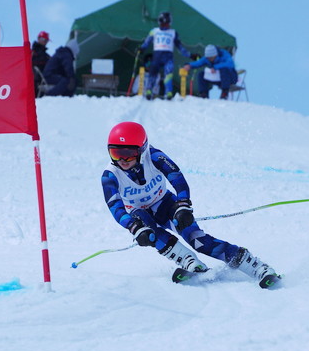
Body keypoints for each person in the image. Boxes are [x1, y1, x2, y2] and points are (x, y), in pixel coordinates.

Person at [101, 121, 280, 288]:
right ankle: (189, 261)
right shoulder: (110, 175)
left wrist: (183, 205)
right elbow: (115, 207)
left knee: (197, 239)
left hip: (165, 203)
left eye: (128, 153)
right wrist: (133, 227)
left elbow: (177, 179)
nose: (122, 160)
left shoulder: (154, 157)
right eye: (116, 153)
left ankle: (256, 266)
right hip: (140, 214)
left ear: (142, 149)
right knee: (148, 232)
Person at [138, 11, 191, 100]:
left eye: (166, 23)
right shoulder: (154, 31)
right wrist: (141, 48)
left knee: (168, 74)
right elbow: (147, 42)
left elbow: (180, 47)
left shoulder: (173, 32)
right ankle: (149, 90)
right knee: (153, 72)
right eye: (163, 23)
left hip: (168, 56)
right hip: (157, 55)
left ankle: (168, 92)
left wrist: (190, 55)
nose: (165, 25)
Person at [31, 31, 51, 96]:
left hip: (43, 78)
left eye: (46, 40)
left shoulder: (46, 55)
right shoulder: (32, 52)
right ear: (38, 38)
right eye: (43, 39)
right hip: (36, 80)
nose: (44, 41)